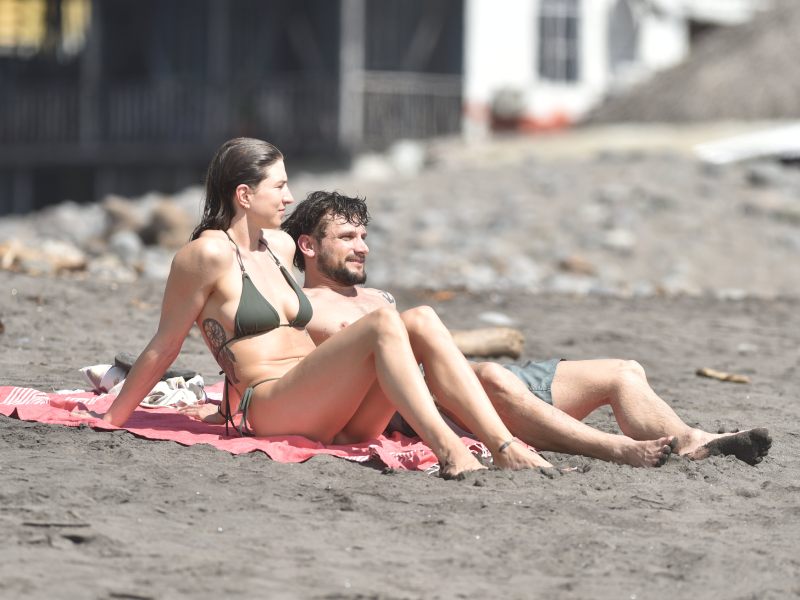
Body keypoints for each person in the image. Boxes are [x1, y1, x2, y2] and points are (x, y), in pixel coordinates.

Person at [75, 137, 562, 479]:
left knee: (421, 319)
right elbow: (164, 346)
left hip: (328, 407)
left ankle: (503, 447)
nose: (289, 197)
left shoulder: (280, 248)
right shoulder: (205, 256)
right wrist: (113, 419)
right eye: (279, 187)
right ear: (244, 195)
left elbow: (324, 310)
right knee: (384, 326)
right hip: (269, 406)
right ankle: (450, 449)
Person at [279, 190, 771, 467]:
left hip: (478, 384)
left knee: (623, 372)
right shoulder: (304, 308)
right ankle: (621, 450)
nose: (362, 246)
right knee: (492, 376)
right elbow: (308, 383)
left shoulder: (379, 299)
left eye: (364, 236)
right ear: (307, 246)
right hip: (435, 409)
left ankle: (691, 440)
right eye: (346, 237)